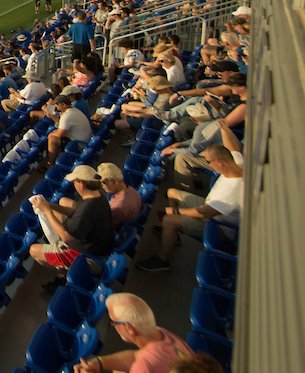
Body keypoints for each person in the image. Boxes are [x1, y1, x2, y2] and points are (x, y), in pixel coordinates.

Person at [138, 143, 244, 272]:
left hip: (219, 226)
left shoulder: (232, 191)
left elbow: (205, 213)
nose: (208, 165)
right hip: (210, 205)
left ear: (219, 162)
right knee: (172, 193)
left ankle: (162, 259)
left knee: (168, 220)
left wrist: (176, 211)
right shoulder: (236, 162)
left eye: (208, 162)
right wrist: (223, 126)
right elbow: (233, 147)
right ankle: (172, 235)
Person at [27, 165, 115, 290]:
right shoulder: (97, 198)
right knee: (57, 215)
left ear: (82, 184)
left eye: (75, 181)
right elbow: (75, 211)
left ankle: (69, 275)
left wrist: (47, 211)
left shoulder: (88, 208)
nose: (74, 184)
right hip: (100, 248)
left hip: (90, 258)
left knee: (34, 251)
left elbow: (66, 237)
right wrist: (51, 206)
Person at [72, 293, 191, 373]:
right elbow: (136, 356)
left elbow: (143, 362)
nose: (113, 326)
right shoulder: (162, 334)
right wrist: (99, 362)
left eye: (113, 322)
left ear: (129, 328)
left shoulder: (144, 366)